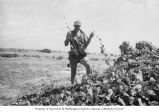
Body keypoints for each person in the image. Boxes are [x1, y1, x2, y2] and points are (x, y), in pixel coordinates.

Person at [64, 20, 95, 85]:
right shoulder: (70, 33)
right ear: (74, 26)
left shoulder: (83, 34)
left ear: (80, 26)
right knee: (73, 72)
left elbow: (86, 44)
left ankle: (89, 82)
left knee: (88, 66)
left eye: (78, 25)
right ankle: (72, 86)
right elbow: (66, 44)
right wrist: (67, 38)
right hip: (73, 55)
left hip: (81, 54)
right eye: (75, 25)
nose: (77, 27)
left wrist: (90, 37)